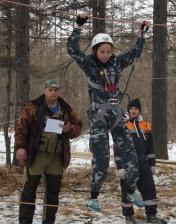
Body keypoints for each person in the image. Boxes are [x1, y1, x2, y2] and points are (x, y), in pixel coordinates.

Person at [67, 12, 149, 212]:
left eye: (108, 51)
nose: (106, 54)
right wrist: (78, 27)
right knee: (101, 157)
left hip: (116, 115)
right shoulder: (89, 64)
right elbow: (72, 49)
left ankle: (131, 189)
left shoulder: (116, 62)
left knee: (129, 153)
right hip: (99, 117)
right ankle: (94, 196)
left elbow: (133, 54)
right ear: (95, 51)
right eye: (102, 51)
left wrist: (142, 34)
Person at [15, 79, 83, 224]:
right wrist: (20, 147)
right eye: (50, 90)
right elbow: (21, 128)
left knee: (53, 193)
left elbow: (79, 125)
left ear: (59, 92)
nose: (53, 92)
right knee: (29, 191)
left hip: (56, 157)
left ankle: (48, 221)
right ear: (44, 91)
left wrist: (69, 129)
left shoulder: (66, 109)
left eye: (55, 90)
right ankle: (25, 221)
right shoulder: (33, 107)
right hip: (36, 155)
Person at [114, 99, 167, 224]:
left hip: (144, 164)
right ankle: (129, 217)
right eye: (131, 108)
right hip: (128, 165)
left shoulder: (146, 126)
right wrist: (119, 166)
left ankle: (151, 216)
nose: (133, 111)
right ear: (128, 110)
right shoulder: (122, 125)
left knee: (150, 190)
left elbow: (150, 147)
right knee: (127, 191)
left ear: (139, 110)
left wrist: (152, 164)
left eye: (136, 109)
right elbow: (117, 148)